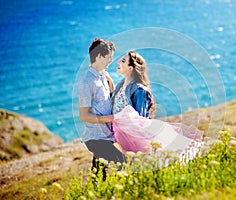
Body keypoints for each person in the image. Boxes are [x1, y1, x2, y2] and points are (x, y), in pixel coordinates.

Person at [111, 51, 203, 158]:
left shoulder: (139, 90)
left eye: (123, 61)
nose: (118, 62)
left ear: (131, 68)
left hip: (135, 138)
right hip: (123, 136)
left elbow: (141, 119)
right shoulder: (120, 85)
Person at [77, 38, 125, 181]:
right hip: (96, 138)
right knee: (123, 164)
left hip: (105, 136)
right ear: (98, 56)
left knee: (98, 176)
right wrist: (110, 118)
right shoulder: (87, 82)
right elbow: (84, 116)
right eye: (108, 56)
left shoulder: (103, 76)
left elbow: (109, 100)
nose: (111, 60)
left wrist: (110, 83)